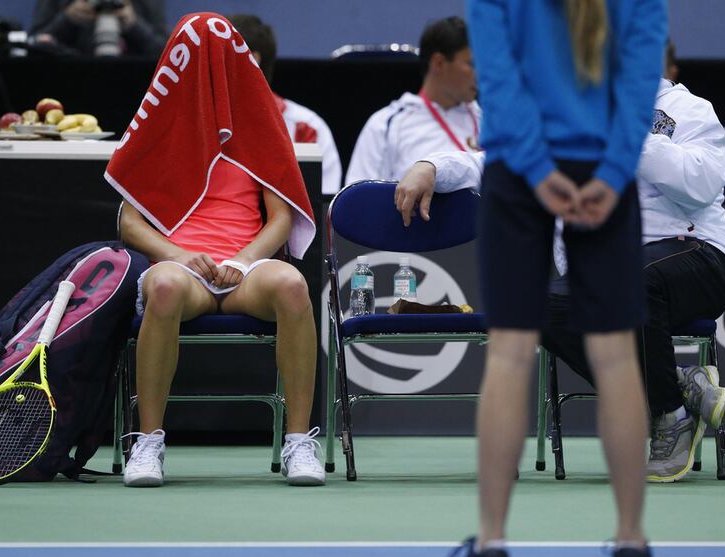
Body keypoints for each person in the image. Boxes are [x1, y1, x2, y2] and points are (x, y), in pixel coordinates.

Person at [401, 0, 666, 557]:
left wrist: (536, 168)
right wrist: (613, 173)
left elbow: (499, 79)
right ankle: (632, 546)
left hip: (519, 175)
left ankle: (492, 547)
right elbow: (642, 79)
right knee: (617, 355)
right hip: (604, 168)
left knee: (511, 352)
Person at [397, 44, 725, 485]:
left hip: (696, 255)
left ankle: (669, 413)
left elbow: (703, 185)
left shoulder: (687, 109)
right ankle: (677, 393)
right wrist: (431, 165)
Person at [105, 12, 325, 488]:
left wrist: (243, 260)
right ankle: (147, 443)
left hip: (244, 268)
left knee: (292, 285)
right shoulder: (159, 127)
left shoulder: (262, 128)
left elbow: (282, 218)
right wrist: (180, 256)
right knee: (162, 286)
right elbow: (129, 221)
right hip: (184, 269)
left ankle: (300, 442)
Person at [345, 16, 482, 185]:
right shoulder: (385, 125)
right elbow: (359, 198)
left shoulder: (489, 122)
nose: (481, 73)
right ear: (438, 63)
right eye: (472, 64)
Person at [228, 14, 342, 197]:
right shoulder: (197, 124)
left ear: (251, 58)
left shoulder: (308, 128)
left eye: (218, 54)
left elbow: (321, 209)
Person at [31, 0, 168, 57]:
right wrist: (68, 19)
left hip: (132, 83)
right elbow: (34, 43)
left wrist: (134, 24)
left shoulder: (146, 3)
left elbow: (167, 53)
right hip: (71, 80)